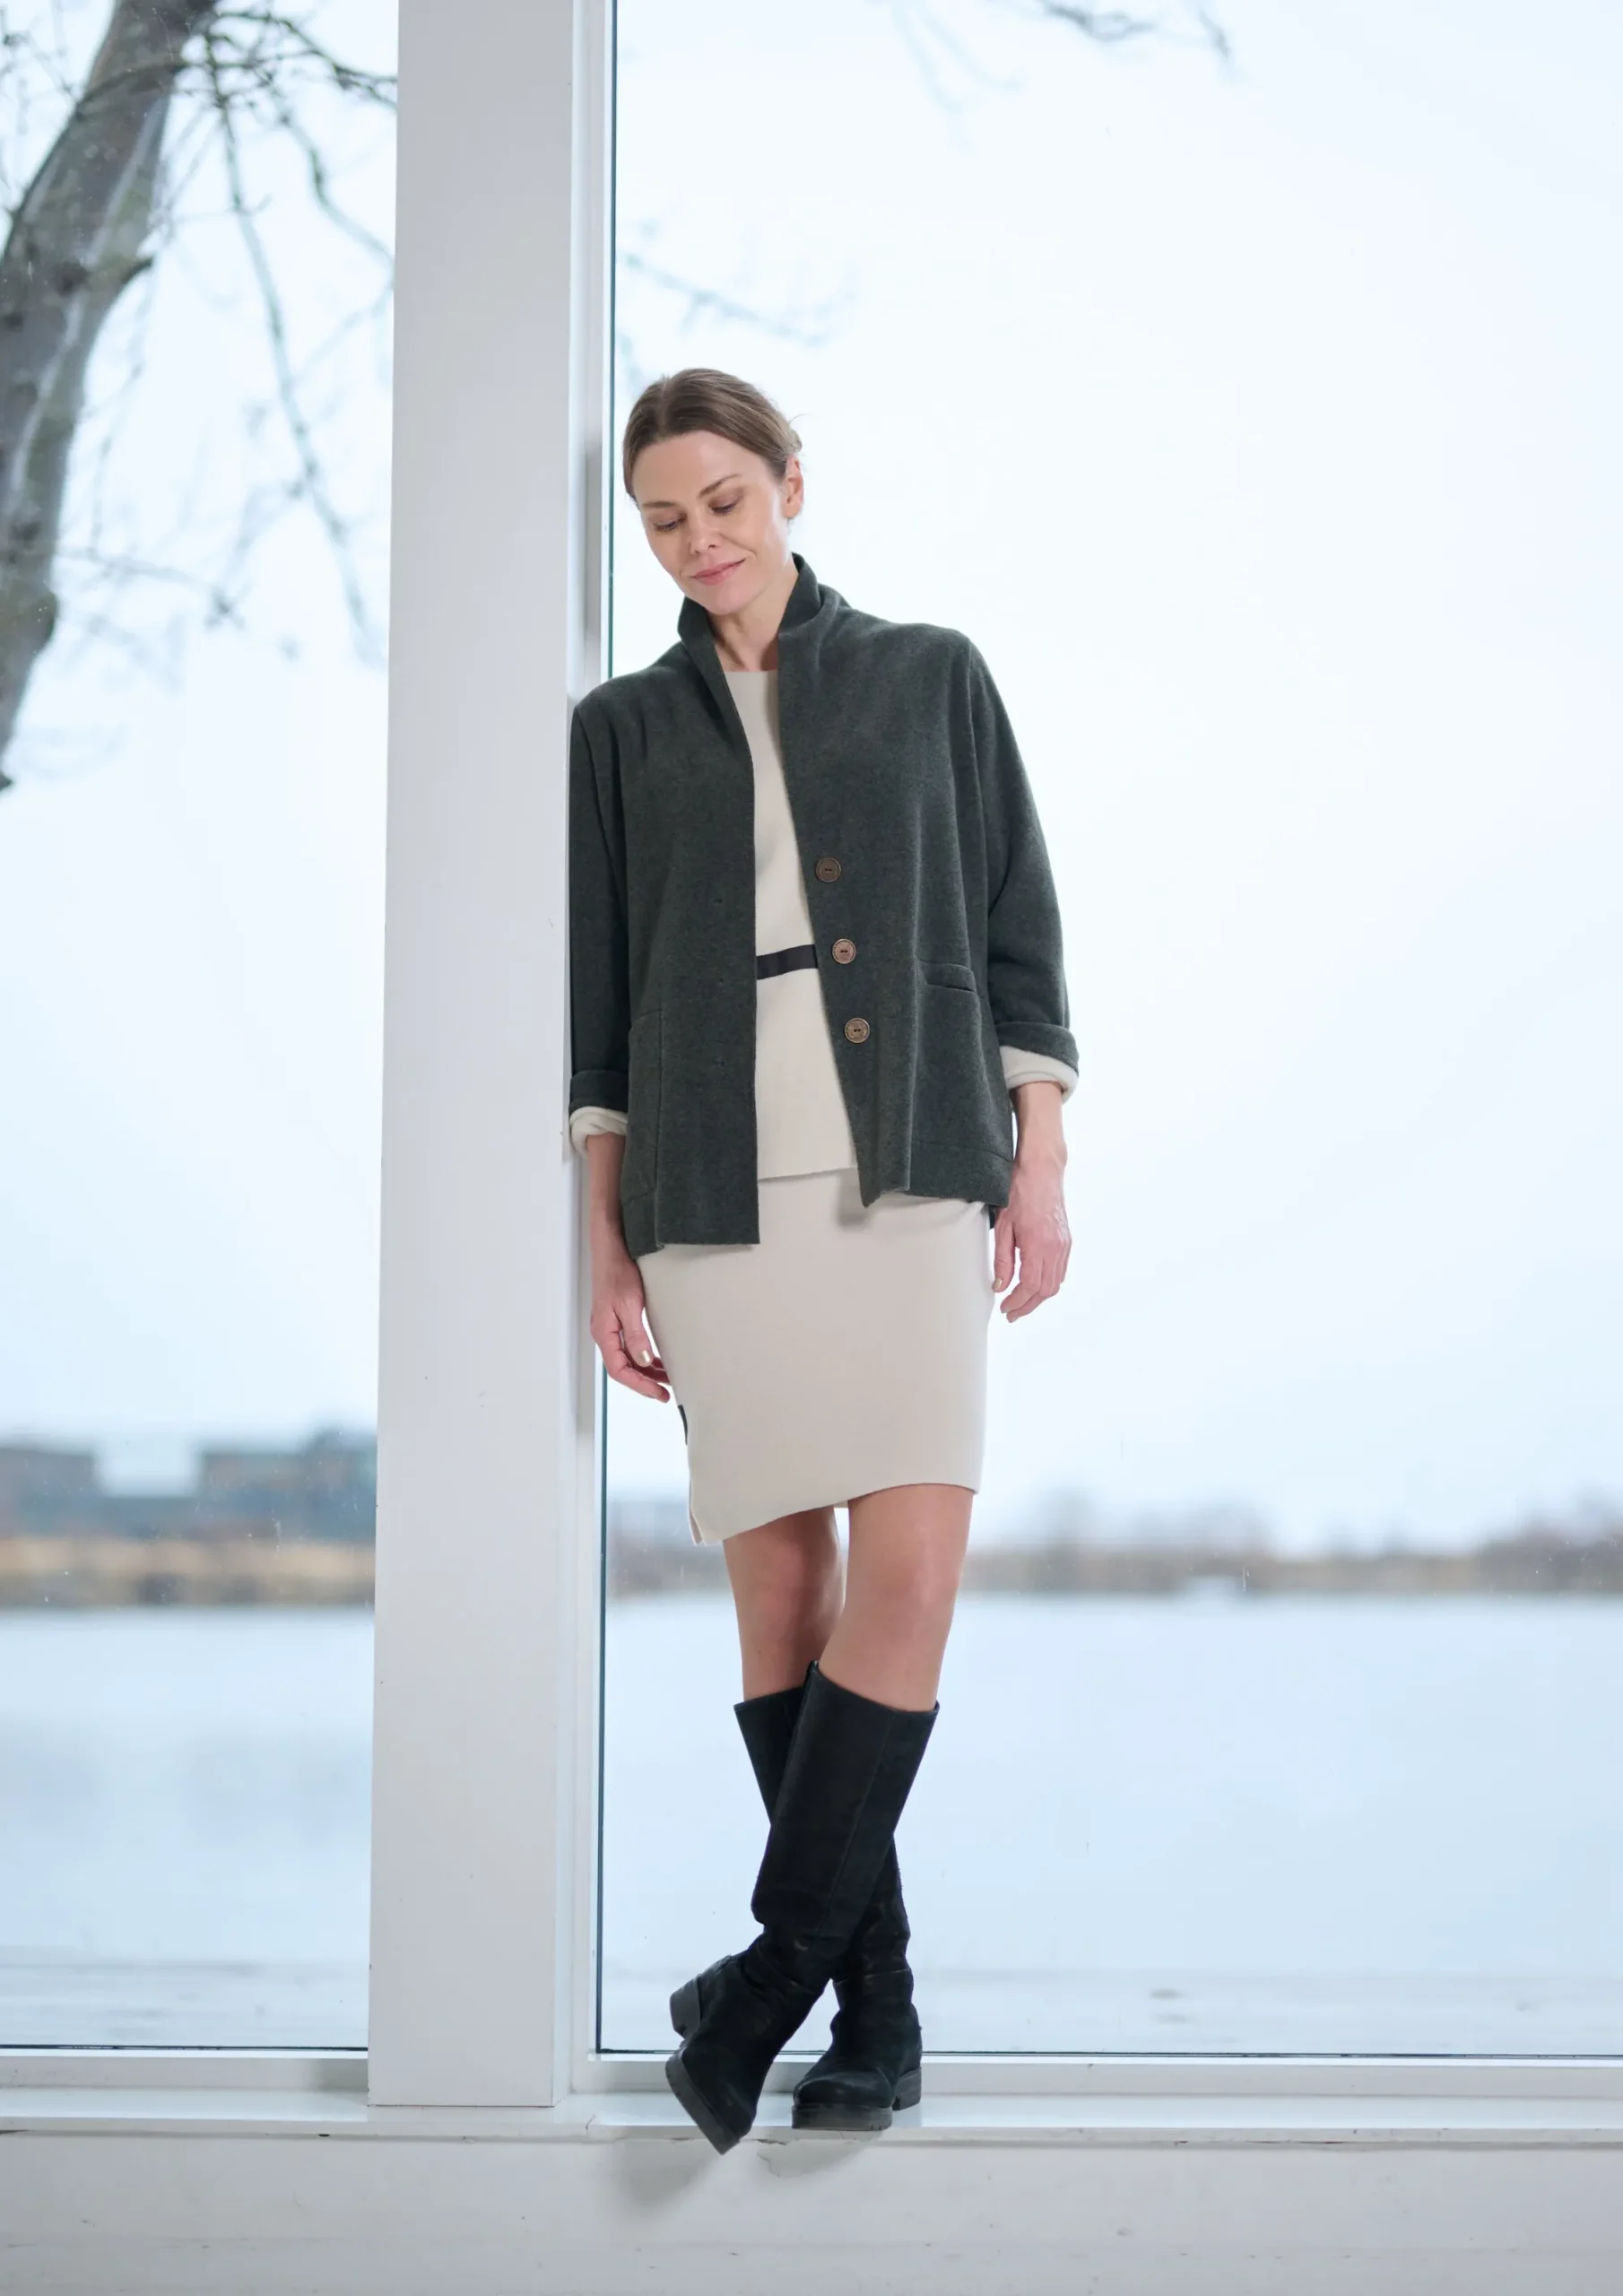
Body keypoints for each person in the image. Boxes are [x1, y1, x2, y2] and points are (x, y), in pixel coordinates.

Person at [568, 368, 1077, 2152]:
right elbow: (597, 1017)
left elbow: (1018, 932)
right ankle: (876, 2012)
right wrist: (601, 1245)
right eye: (662, 518)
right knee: (781, 1595)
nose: (697, 539)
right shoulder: (617, 733)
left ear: (791, 482)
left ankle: (768, 1982)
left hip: (914, 1164)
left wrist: (1040, 1161)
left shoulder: (932, 675)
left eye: (723, 499)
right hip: (710, 1190)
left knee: (909, 1578)